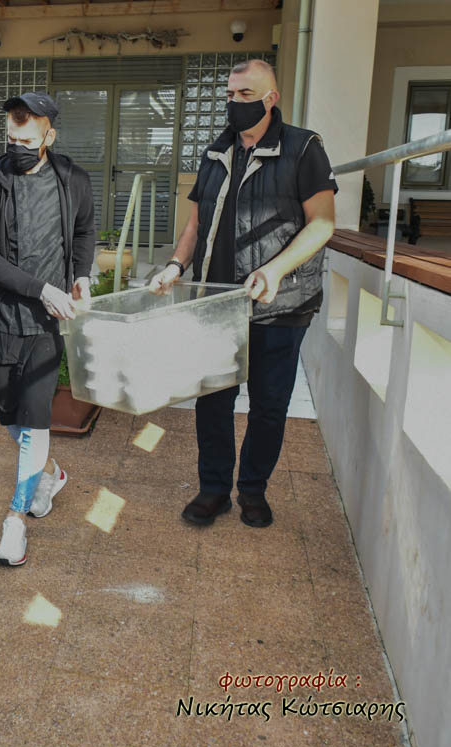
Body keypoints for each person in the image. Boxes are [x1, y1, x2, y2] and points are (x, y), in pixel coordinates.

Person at [149, 59, 337, 529]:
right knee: (213, 402)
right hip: (217, 303)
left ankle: (253, 490)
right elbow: (195, 223)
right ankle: (213, 490)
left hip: (280, 305)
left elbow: (322, 224)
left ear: (271, 99)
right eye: (230, 95)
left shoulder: (304, 148)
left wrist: (274, 270)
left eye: (245, 95)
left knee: (269, 407)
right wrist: (175, 265)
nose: (234, 103)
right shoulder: (216, 152)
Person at [0, 91, 95, 566]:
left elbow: (84, 231)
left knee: (36, 418)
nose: (17, 147)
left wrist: (82, 275)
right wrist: (42, 289)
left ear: (49, 136)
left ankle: (14, 521)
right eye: (11, 139)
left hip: (47, 324)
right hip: (2, 318)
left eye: (26, 140)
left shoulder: (73, 180)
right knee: (12, 420)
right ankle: (50, 473)